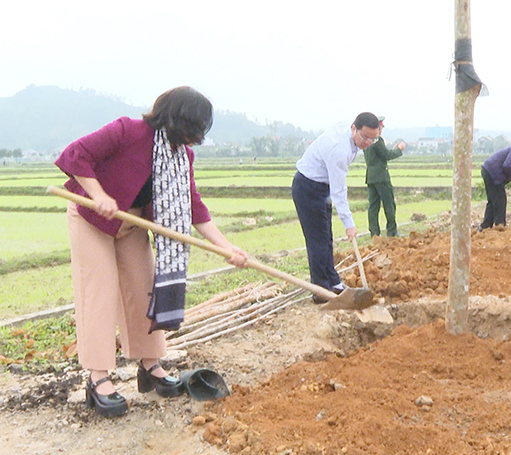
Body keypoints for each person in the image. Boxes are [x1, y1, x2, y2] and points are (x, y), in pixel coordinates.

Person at [54, 87, 249, 417]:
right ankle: (98, 378)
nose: (194, 137)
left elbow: (192, 206)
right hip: (91, 218)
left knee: (144, 291)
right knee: (99, 292)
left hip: (131, 223)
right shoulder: (128, 131)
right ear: (174, 118)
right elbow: (76, 154)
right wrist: (98, 194)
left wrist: (226, 247)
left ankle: (150, 366)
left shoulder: (181, 155)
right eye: (192, 127)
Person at [293, 112, 380, 304]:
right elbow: (339, 190)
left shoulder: (351, 136)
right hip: (308, 187)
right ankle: (321, 290)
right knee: (317, 241)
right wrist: (349, 223)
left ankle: (333, 282)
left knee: (326, 237)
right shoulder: (339, 150)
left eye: (372, 139)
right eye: (364, 137)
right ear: (353, 129)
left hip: (321, 186)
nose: (367, 142)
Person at [364, 116, 405, 237]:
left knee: (373, 206)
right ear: (378, 127)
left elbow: (380, 155)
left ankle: (374, 233)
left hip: (371, 176)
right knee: (389, 204)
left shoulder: (367, 140)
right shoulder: (377, 140)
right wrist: (399, 150)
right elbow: (387, 155)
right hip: (381, 177)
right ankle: (392, 231)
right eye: (381, 127)